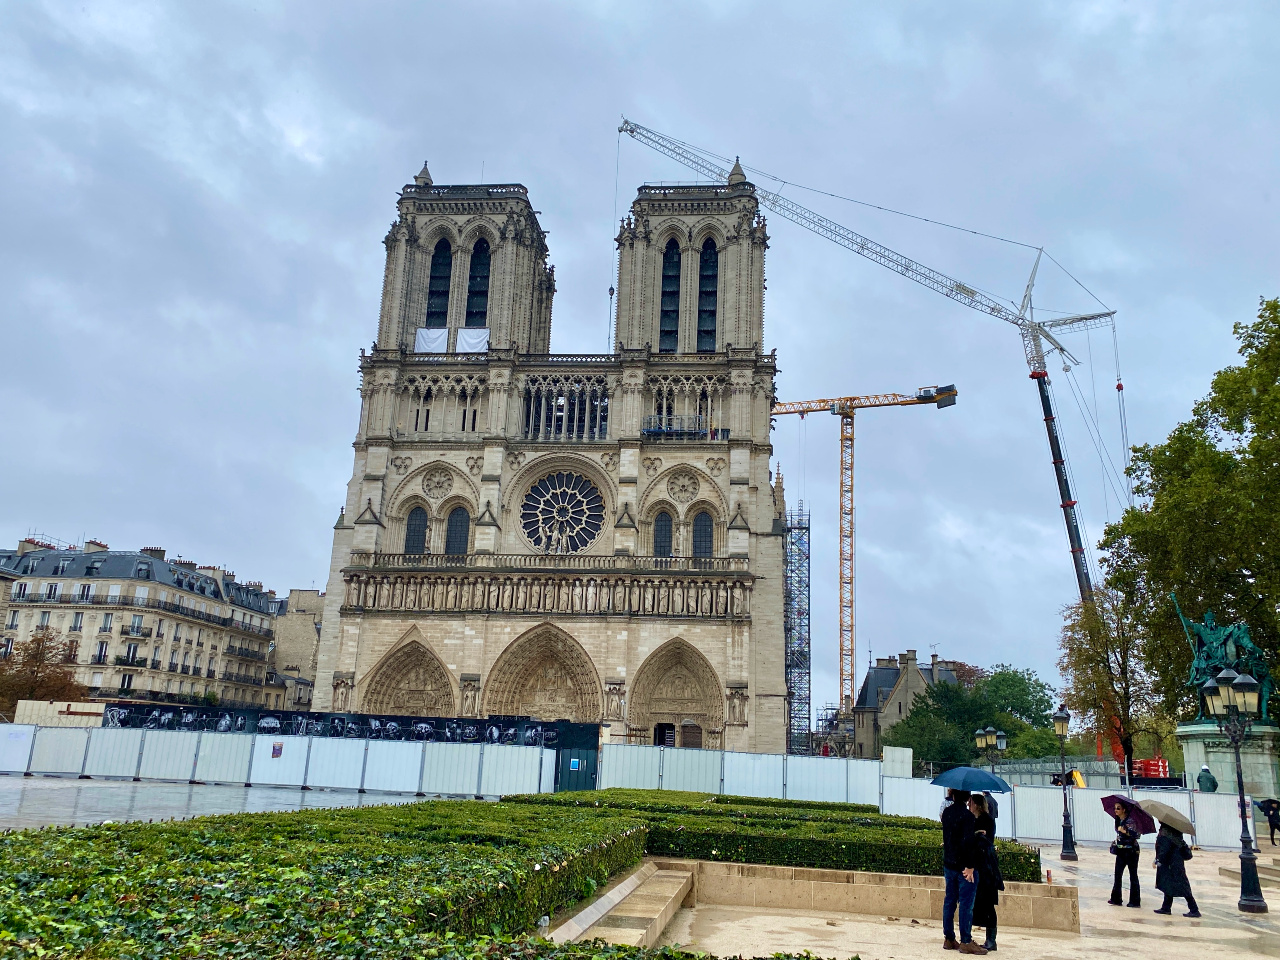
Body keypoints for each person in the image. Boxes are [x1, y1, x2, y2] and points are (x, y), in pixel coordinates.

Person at [941, 788, 986, 955]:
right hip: (963, 867)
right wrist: (970, 867)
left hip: (949, 863)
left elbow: (952, 837)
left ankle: (949, 937)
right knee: (966, 904)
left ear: (953, 795)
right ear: (968, 798)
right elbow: (967, 843)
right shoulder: (968, 817)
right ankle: (966, 940)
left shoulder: (946, 813)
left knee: (950, 901)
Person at [968, 793, 1004, 952]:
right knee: (975, 902)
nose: (969, 805)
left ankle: (991, 939)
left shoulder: (987, 820)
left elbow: (985, 840)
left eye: (971, 803)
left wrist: (976, 836)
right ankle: (970, 937)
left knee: (988, 904)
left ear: (976, 804)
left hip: (986, 867)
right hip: (978, 865)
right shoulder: (973, 820)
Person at [1153, 823, 1199, 918]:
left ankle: (1194, 909)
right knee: (1170, 883)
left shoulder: (1166, 832)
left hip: (1171, 863)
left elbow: (1164, 849)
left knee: (1182, 884)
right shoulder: (1174, 830)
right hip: (1176, 862)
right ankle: (1166, 907)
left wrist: (1158, 860)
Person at [1109, 800, 1141, 907]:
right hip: (1121, 850)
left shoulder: (1131, 821)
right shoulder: (1118, 820)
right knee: (1117, 874)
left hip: (1131, 851)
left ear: (1124, 810)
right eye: (1115, 808)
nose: (1116, 810)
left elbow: (1137, 835)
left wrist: (1126, 832)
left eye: (1118, 808)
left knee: (1133, 875)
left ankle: (1135, 901)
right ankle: (1116, 898)